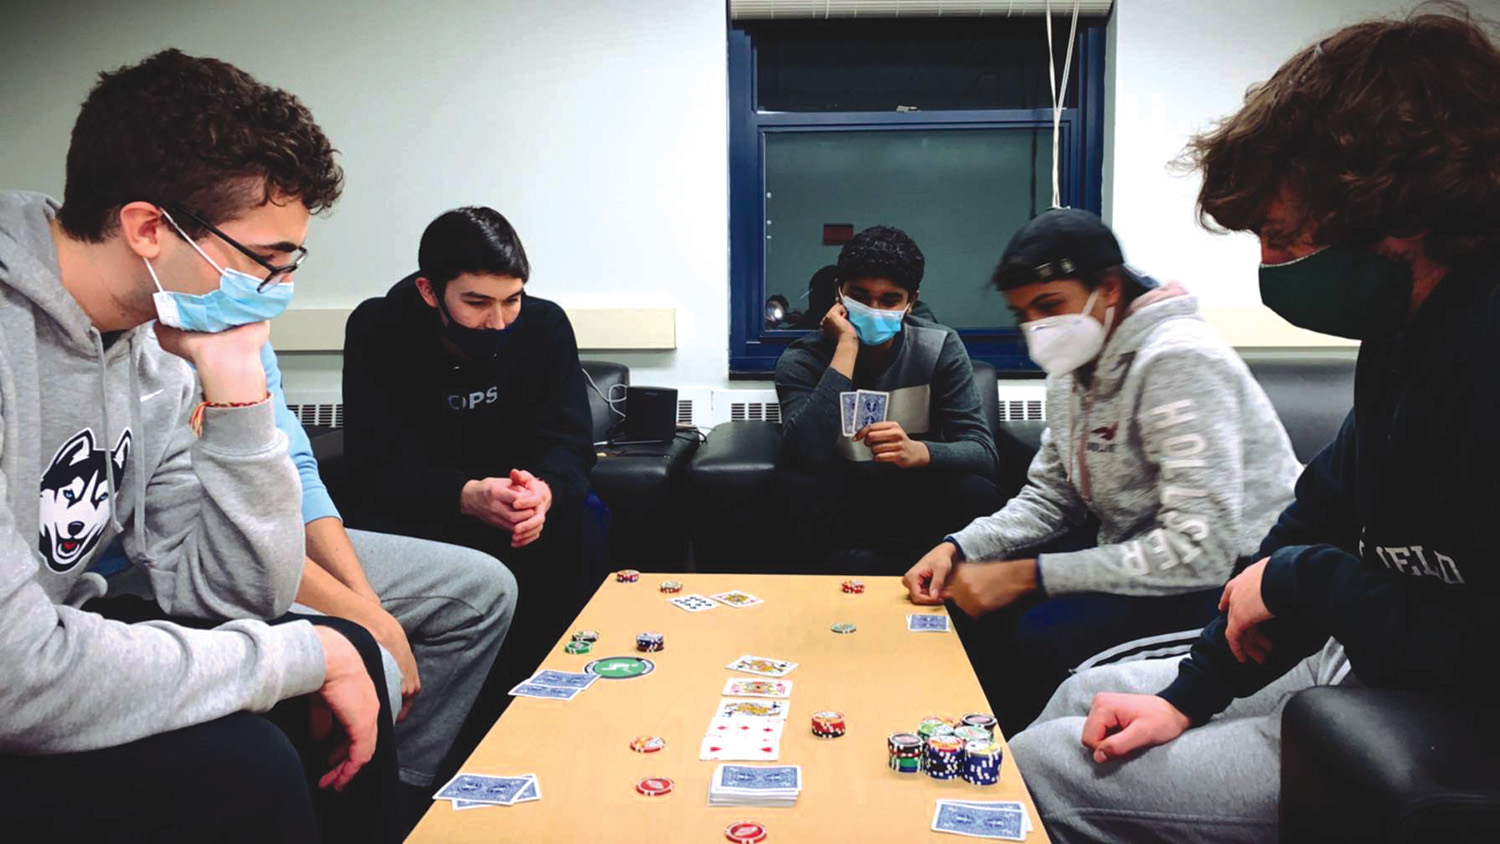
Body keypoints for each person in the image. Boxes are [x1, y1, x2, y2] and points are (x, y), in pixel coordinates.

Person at [1008, 10, 1500, 843]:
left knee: (1035, 769)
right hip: (1363, 652)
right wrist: (1186, 698)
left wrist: (1300, 579)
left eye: (1281, 238)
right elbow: (1321, 517)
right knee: (1078, 705)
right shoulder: (1400, 339)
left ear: (1401, 210)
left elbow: (1450, 628)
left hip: (1444, 712)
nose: (1270, 269)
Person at [0, 49, 398, 840]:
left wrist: (237, 388)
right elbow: (18, 677)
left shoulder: (157, 338)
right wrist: (299, 657)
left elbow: (229, 594)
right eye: (266, 261)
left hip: (55, 645)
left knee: (328, 661)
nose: (280, 290)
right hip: (19, 676)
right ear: (149, 228)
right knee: (249, 757)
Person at [903, 208, 1301, 730]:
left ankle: (1028, 776)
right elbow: (1052, 496)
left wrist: (1029, 576)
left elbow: (1200, 552)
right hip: (1140, 564)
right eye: (1023, 314)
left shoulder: (1178, 359)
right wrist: (959, 546)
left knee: (1043, 637)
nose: (1037, 329)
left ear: (1109, 288)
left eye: (1049, 305)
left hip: (1240, 580)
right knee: (982, 613)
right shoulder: (1072, 371)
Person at [341, 206, 596, 732]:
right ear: (430, 291)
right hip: (424, 508)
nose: (498, 321)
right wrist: (464, 493)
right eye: (477, 303)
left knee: (584, 523)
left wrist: (543, 492)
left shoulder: (545, 325)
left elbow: (570, 444)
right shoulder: (377, 327)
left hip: (523, 505)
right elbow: (375, 463)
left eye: (512, 300)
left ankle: (563, 704)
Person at [261, 341, 516, 810]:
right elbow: (218, 545)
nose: (278, 285)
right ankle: (354, 795)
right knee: (370, 650)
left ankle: (400, 784)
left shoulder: (248, 333)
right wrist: (364, 621)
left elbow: (295, 471)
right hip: (193, 561)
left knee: (484, 588)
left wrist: (365, 600)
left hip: (271, 539)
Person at [775, 225, 1002, 572]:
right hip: (840, 497)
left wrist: (919, 452)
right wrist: (846, 348)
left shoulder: (940, 346)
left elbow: (983, 453)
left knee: (977, 491)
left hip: (914, 497)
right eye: (860, 296)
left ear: (911, 301)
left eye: (890, 300)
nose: (874, 309)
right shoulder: (801, 359)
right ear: (839, 293)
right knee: (794, 487)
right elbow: (802, 454)